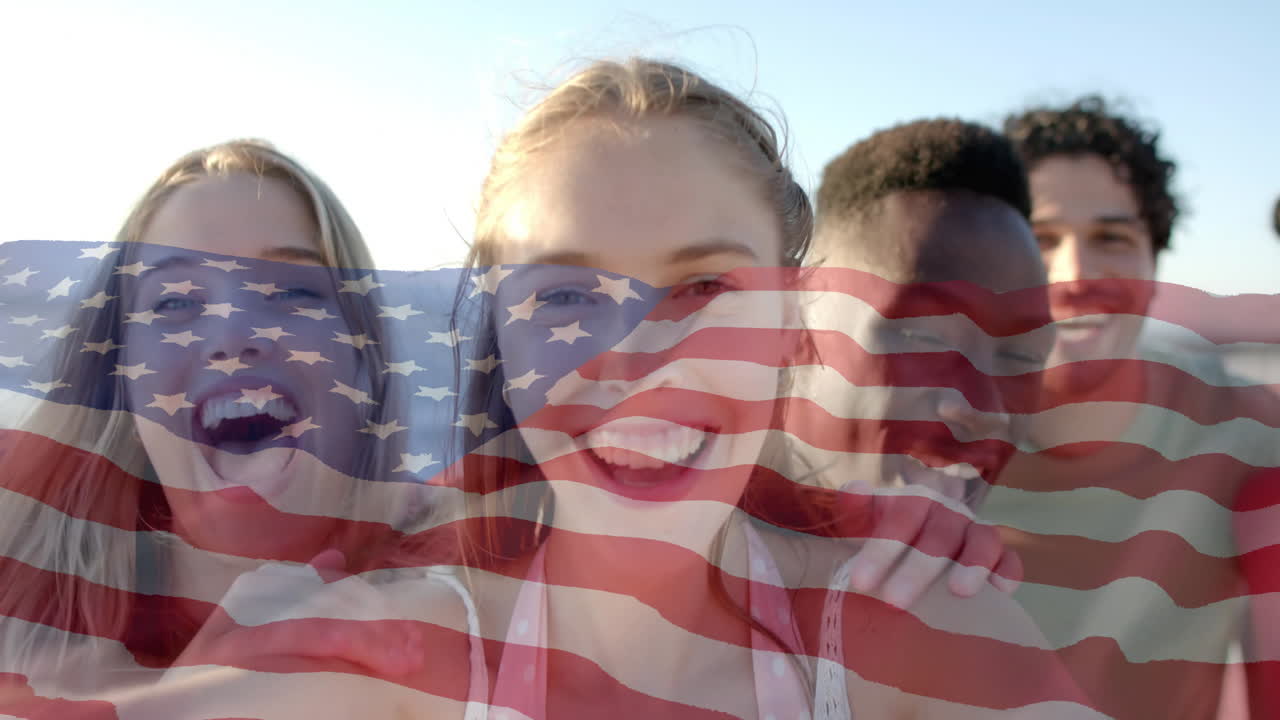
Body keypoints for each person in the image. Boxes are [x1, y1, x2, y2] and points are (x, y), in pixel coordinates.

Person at [454, 58, 1095, 719]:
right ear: (498, 332)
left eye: (705, 288)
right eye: (565, 294)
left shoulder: (927, 635)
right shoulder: (387, 658)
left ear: (793, 322)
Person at [0, 140, 479, 717]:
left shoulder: (471, 574)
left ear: (366, 360)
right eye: (175, 302)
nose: (233, 334)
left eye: (292, 291)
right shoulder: (16, 563)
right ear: (119, 377)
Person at [981, 97, 1280, 719]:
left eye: (1111, 238)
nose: (1075, 273)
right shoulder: (928, 446)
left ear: (1154, 257)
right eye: (1040, 238)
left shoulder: (1245, 428)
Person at [807, 117, 1049, 609]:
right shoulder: (668, 547)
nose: (983, 408)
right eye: (921, 337)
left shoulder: (978, 615)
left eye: (1019, 356)